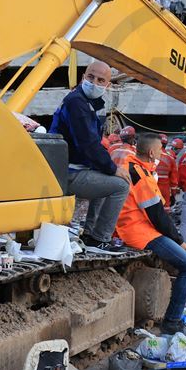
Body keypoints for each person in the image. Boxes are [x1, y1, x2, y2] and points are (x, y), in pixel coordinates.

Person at [115, 133, 186, 338]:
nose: (162, 154)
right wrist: (179, 241)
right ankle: (172, 322)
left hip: (138, 228)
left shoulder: (135, 167)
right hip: (138, 231)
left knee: (182, 263)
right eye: (160, 150)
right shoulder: (139, 174)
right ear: (152, 152)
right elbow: (156, 214)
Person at [49, 61, 131, 254]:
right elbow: (87, 144)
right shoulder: (77, 102)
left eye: (101, 80)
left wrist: (107, 168)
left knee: (108, 179)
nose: (94, 82)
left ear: (107, 85)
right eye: (91, 77)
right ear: (83, 77)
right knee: (120, 186)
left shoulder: (85, 103)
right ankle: (99, 238)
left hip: (68, 168)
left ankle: (91, 234)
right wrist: (113, 168)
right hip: (67, 172)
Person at [156, 135, 180, 208]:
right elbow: (174, 179)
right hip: (165, 189)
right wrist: (173, 193)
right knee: (166, 209)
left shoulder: (149, 155)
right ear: (166, 144)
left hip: (151, 187)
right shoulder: (170, 158)